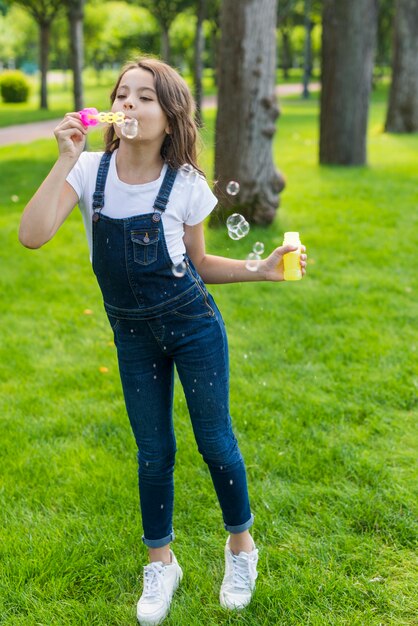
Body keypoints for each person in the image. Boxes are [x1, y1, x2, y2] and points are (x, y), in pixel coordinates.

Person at [19, 57, 307, 626]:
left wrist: (265, 269)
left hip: (194, 326)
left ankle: (241, 549)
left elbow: (199, 263)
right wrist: (64, 161)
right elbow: (32, 235)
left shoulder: (187, 184)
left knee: (215, 442)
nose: (128, 103)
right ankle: (161, 564)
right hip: (132, 336)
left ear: (171, 117)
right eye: (121, 93)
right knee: (153, 453)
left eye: (144, 96)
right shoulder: (88, 172)